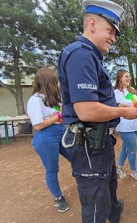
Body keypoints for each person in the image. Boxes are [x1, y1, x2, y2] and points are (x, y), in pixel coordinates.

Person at [57, 1, 137, 222]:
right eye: (110, 31)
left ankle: (114, 212)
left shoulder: (90, 56)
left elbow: (94, 102)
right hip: (89, 145)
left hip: (98, 142)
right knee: (95, 204)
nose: (113, 38)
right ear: (93, 24)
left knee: (108, 186)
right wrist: (122, 113)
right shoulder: (81, 55)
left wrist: (119, 107)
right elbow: (86, 110)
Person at [27, 68, 72, 213]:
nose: (59, 83)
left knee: (76, 158)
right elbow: (38, 125)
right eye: (56, 81)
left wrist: (58, 117)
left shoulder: (54, 97)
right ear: (48, 82)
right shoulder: (35, 100)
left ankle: (84, 182)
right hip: (46, 137)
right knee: (52, 170)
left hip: (62, 132)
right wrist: (57, 117)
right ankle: (58, 198)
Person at [114, 69, 137, 181]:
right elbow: (114, 107)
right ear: (119, 78)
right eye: (126, 76)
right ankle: (134, 170)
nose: (129, 78)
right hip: (124, 126)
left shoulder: (131, 91)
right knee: (133, 148)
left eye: (129, 76)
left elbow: (136, 105)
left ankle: (119, 167)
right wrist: (124, 106)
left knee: (126, 147)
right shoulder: (115, 93)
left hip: (135, 124)